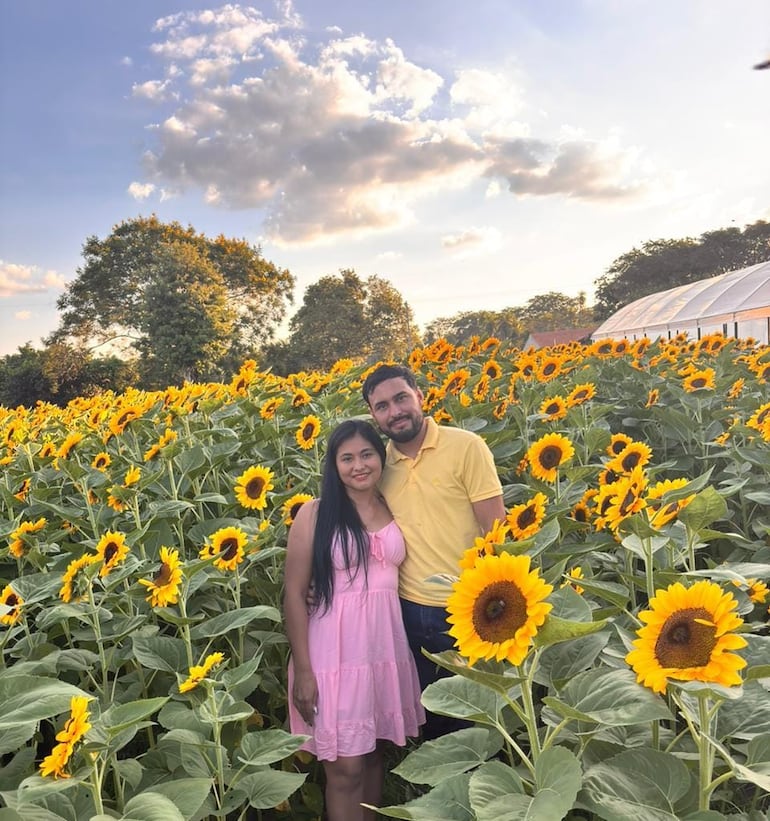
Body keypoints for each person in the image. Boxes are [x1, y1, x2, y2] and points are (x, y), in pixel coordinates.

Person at [284, 419, 425, 821]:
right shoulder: (315, 514)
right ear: (334, 465)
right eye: (347, 458)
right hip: (331, 654)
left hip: (383, 648)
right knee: (344, 769)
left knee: (373, 755)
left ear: (381, 458)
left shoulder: (394, 505)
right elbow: (294, 595)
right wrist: (305, 673)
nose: (358, 465)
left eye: (366, 455)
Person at [362, 364, 505, 740]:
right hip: (406, 608)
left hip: (467, 606)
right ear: (373, 415)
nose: (394, 412)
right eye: (382, 406)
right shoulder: (379, 465)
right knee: (431, 714)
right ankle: (441, 794)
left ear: (420, 397)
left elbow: (496, 529)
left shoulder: (465, 447)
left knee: (478, 716)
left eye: (401, 398)